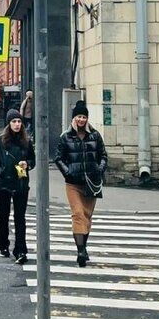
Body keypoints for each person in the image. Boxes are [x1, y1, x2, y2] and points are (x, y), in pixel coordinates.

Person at [54, 100, 108, 268]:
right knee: (78, 213)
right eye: (78, 116)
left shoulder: (95, 135)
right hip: (73, 183)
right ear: (73, 118)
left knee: (87, 216)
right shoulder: (66, 136)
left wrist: (99, 169)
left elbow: (103, 156)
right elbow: (58, 158)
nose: (81, 120)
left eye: (84, 117)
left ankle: (84, 246)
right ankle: (80, 251)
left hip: (92, 182)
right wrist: (67, 172)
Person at [0, 109, 36, 264]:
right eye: (14, 121)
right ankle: (3, 246)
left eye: (19, 121)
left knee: (20, 217)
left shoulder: (27, 142)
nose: (17, 124)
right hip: (3, 184)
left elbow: (33, 160)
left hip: (21, 183)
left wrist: (27, 164)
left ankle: (20, 250)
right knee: (4, 216)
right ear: (9, 124)